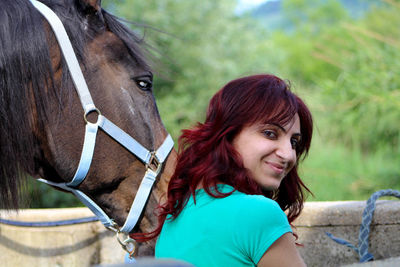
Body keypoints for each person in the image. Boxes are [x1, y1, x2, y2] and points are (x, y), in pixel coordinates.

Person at [146, 74, 313, 266]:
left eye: (294, 142)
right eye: (270, 133)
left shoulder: (175, 214)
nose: (288, 154)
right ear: (228, 133)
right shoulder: (260, 213)